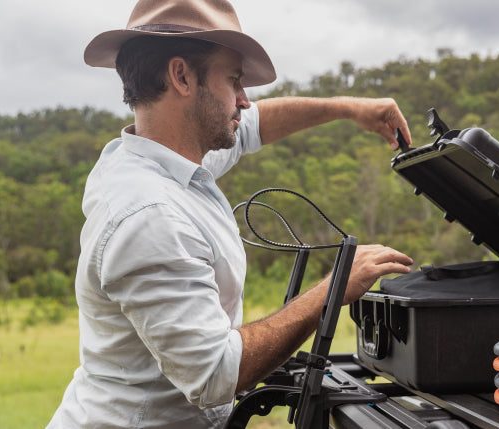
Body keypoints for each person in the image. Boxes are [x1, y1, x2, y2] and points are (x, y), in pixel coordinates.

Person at [47, 0, 414, 427]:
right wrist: (334, 289)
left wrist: (349, 108)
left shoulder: (159, 159)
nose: (243, 100)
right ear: (181, 76)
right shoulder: (150, 215)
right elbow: (215, 375)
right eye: (234, 80)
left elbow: (253, 125)